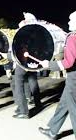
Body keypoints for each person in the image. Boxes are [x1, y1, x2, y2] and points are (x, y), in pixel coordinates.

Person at [38, 11, 76, 139]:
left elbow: (68, 62)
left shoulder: (72, 38)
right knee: (64, 104)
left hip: (74, 78)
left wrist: (48, 65)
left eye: (71, 20)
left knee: (74, 109)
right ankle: (53, 130)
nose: (69, 22)